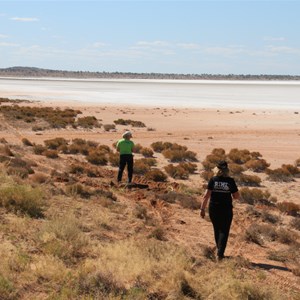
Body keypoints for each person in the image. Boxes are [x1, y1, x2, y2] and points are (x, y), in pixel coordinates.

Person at [200, 160, 239, 261]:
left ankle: (219, 250)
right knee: (224, 231)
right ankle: (220, 254)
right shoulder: (230, 181)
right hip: (226, 209)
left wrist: (202, 209)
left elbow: (206, 195)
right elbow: (236, 197)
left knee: (217, 229)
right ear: (227, 170)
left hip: (214, 209)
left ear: (216, 169)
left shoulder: (213, 179)